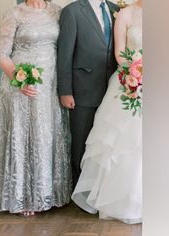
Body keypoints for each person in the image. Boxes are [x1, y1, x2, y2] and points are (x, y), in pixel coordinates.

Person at [0, 0, 72, 217]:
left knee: (45, 135)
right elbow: (1, 54)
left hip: (50, 84)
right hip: (20, 85)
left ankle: (49, 193)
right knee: (25, 136)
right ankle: (24, 197)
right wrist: (19, 79)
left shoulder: (58, 12)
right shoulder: (15, 14)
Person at [72, 0, 142, 224]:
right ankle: (124, 202)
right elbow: (120, 53)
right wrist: (136, 70)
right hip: (131, 82)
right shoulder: (125, 14)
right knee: (124, 144)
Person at [57, 0, 120, 188]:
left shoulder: (115, 9)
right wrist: (65, 90)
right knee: (81, 141)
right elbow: (64, 54)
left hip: (112, 89)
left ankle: (99, 188)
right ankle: (79, 191)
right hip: (82, 88)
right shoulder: (72, 11)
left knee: (103, 144)